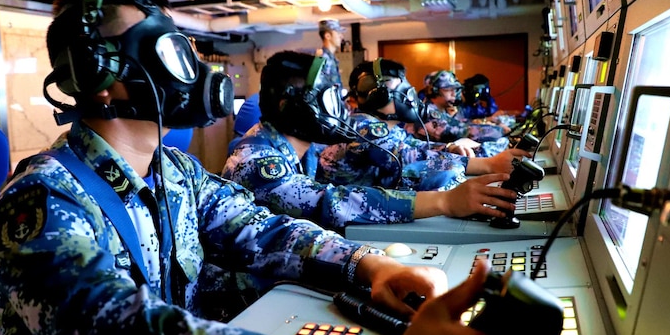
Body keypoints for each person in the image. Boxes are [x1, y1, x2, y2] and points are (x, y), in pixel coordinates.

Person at [0, 0, 523, 335]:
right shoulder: (43, 197)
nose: (190, 67)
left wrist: (367, 266)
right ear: (99, 75)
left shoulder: (177, 172)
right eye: (168, 49)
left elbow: (262, 230)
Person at [222, 51, 521, 232]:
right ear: (292, 106)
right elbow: (331, 202)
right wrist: (444, 201)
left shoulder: (304, 151)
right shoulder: (256, 161)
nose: (340, 111)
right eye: (328, 100)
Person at [319, 59, 530, 190]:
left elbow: (415, 147)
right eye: (400, 91)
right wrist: (489, 164)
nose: (409, 98)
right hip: (351, 223)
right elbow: (409, 158)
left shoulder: (388, 128)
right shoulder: (363, 127)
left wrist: (450, 147)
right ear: (377, 97)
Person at [411, 69, 511, 156]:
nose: (454, 93)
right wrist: (500, 130)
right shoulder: (428, 113)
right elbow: (462, 130)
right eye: (449, 89)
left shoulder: (441, 110)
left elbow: (459, 122)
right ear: (434, 90)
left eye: (455, 89)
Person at [315, 18, 345, 86]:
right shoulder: (323, 59)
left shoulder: (331, 58)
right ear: (327, 36)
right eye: (338, 33)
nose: (341, 36)